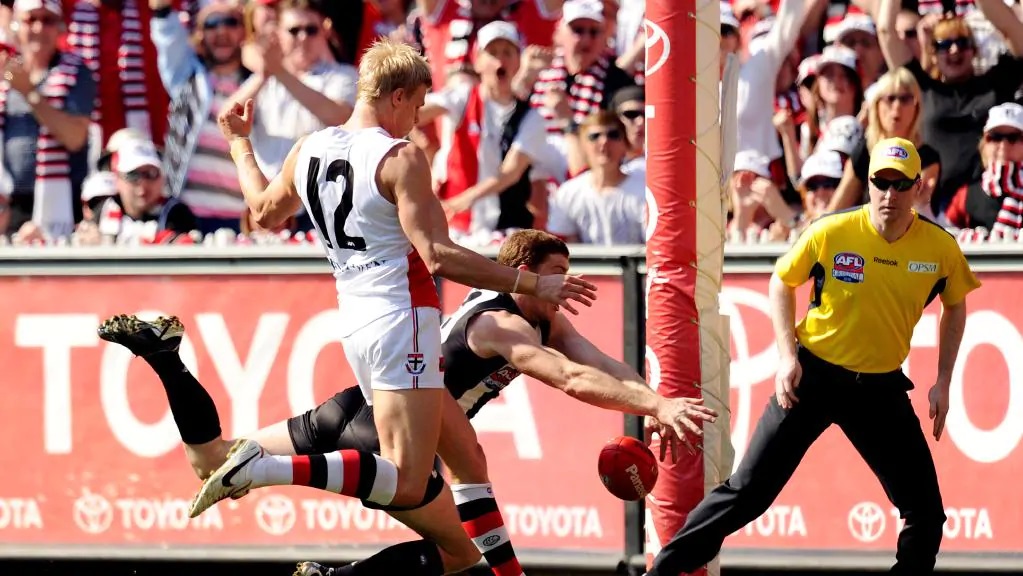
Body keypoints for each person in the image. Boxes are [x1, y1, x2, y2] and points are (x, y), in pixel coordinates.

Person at [189, 38, 597, 575]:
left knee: (458, 459)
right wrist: (529, 283)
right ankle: (262, 469)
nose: (419, 118)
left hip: (355, 321)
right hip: (403, 318)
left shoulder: (310, 147)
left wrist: (241, 144)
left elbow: (263, 211)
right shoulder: (400, 157)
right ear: (397, 96)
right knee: (408, 481)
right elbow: (439, 256)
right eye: (419, 104)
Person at [97, 230, 716, 576]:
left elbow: (598, 362)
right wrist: (656, 409)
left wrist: (655, 402)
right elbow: (570, 379)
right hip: (398, 431)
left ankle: (166, 357)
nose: (563, 291)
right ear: (525, 272)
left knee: (210, 458)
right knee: (461, 550)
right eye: (557, 276)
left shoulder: (536, 318)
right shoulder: (504, 326)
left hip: (354, 404)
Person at [647, 137, 982, 576]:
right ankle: (659, 574)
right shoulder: (832, 231)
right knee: (747, 493)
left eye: (901, 184)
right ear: (868, 183)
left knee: (926, 513)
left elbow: (956, 304)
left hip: (880, 386)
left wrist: (944, 379)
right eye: (881, 182)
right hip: (815, 376)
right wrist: (788, 357)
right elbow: (780, 282)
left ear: (919, 188)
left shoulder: (939, 248)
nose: (889, 194)